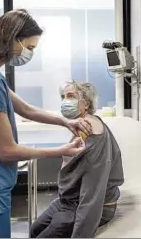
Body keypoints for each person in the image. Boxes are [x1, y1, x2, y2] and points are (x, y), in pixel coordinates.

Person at [0, 9, 92, 238]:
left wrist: (64, 121)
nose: (30, 54)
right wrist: (60, 151)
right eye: (30, 48)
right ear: (13, 38)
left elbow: (24, 108)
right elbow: (7, 151)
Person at [30, 81, 125, 238]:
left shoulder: (94, 138)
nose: (65, 102)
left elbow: (92, 198)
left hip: (91, 206)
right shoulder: (81, 125)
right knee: (35, 229)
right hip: (68, 201)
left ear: (86, 103)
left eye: (71, 96)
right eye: (63, 97)